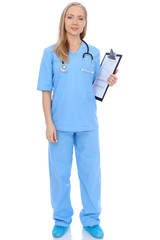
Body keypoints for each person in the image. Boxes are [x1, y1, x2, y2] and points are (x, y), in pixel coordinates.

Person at [37, 2, 118, 238]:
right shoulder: (50, 52)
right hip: (59, 125)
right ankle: (62, 219)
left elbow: (93, 86)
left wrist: (108, 81)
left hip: (87, 124)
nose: (75, 22)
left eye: (80, 18)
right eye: (70, 17)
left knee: (91, 174)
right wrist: (48, 123)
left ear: (85, 23)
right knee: (59, 175)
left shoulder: (92, 52)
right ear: (63, 21)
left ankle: (91, 219)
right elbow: (45, 90)